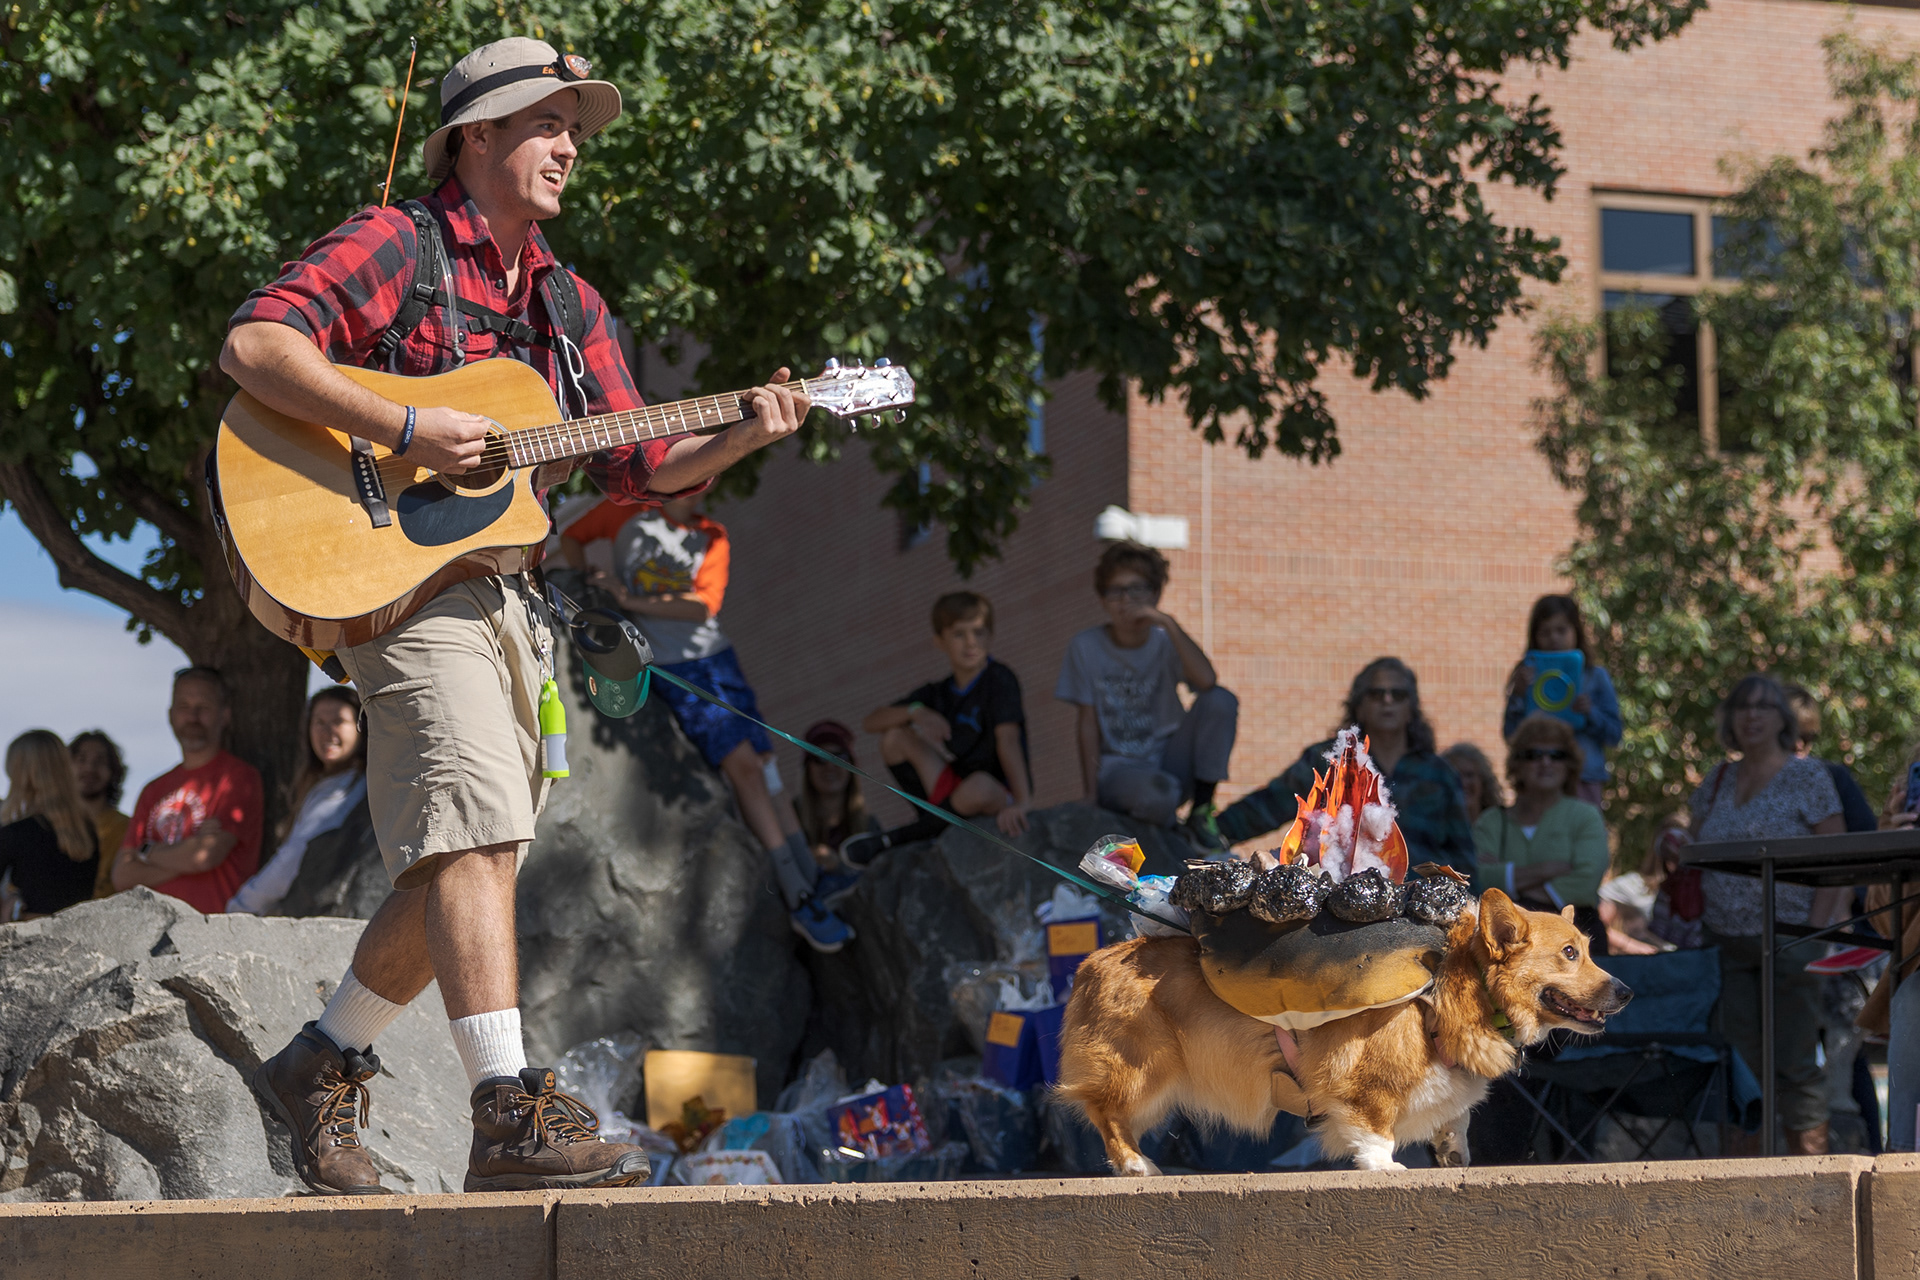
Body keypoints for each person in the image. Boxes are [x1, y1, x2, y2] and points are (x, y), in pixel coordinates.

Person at [221, 37, 810, 1195]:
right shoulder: (399, 241)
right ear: (477, 136)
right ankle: (506, 1109)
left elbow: (644, 463)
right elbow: (255, 344)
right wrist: (401, 426)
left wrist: (747, 425)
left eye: (576, 130)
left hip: (503, 587)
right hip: (390, 585)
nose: (571, 147)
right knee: (477, 821)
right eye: (550, 124)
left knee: (476, 837)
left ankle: (323, 1053)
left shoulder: (566, 299)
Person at [557, 491, 852, 952]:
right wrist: (592, 579)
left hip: (717, 658)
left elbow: (702, 606)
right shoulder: (626, 510)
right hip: (678, 667)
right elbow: (572, 536)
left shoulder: (712, 535)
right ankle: (798, 896)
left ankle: (813, 878)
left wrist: (629, 597)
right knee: (747, 771)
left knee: (767, 768)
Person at [1676, 673, 1848, 1156]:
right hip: (1724, 941)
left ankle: (1813, 1176)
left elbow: (1838, 859)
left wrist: (1814, 936)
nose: (1752, 714)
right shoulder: (1716, 779)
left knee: (1794, 1062)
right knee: (1739, 1067)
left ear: (1784, 720)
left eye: (1764, 706)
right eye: (1742, 706)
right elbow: (1695, 845)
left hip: (1791, 939)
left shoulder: (1808, 775)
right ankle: (1747, 1180)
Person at [1216, 658, 1476, 878]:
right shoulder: (1329, 760)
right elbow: (1269, 804)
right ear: (1359, 706)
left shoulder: (1439, 773)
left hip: (1419, 903)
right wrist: (1208, 833)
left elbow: (1463, 854)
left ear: (1411, 708)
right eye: (1376, 693)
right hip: (1343, 897)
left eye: (1398, 694)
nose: (1387, 700)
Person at [1055, 542, 1237, 851]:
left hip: (1170, 759)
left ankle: (1201, 813)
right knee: (1158, 794)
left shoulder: (1166, 640)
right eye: (1116, 591)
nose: (1126, 600)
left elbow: (1207, 681)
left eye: (1137, 589)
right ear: (1102, 598)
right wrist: (1090, 794)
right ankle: (1170, 842)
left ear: (1154, 593)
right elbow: (1087, 722)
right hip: (1122, 770)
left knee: (1221, 700)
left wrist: (1166, 622)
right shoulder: (1086, 646)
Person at [841, 591, 1034, 866]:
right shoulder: (940, 692)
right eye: (959, 634)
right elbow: (871, 722)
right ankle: (931, 822)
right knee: (894, 737)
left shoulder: (999, 679)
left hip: (994, 793)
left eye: (979, 632)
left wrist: (1022, 803)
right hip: (955, 793)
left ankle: (904, 837)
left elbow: (1009, 740)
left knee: (978, 785)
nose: (970, 642)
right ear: (939, 641)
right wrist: (916, 712)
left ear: (990, 635)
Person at [112, 667, 264, 914]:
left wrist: (148, 851)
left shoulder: (239, 778)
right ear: (170, 715)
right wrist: (187, 851)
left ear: (224, 716)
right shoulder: (153, 790)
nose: (192, 717)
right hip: (151, 931)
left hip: (214, 928)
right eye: (184, 707)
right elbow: (122, 875)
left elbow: (205, 857)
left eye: (203, 708)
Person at [1473, 714, 1611, 953]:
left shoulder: (1586, 816)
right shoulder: (1492, 821)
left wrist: (1508, 880)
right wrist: (1549, 870)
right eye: (1533, 755)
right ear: (1517, 764)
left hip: (1578, 941)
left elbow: (1586, 882)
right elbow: (1478, 880)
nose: (1545, 762)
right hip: (1508, 946)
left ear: (1569, 765)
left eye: (1557, 755)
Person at [228, 687, 369, 915]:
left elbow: (294, 858)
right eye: (319, 722)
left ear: (360, 728)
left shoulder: (353, 787)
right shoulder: (324, 784)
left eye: (338, 721)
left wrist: (240, 908)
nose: (327, 731)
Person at [1502, 595, 1623, 810]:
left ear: (1576, 632)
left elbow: (1614, 734)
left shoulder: (1594, 677)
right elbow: (1511, 735)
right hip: (1536, 781)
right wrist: (1519, 696)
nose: (1554, 638)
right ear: (1535, 636)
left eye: (1561, 630)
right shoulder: (1526, 677)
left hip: (1583, 778)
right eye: (1545, 632)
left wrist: (1590, 713)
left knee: (1581, 836)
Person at [0, 730, 101, 920]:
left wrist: (10, 904)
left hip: (32, 939)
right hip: (79, 937)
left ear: (21, 774)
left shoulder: (17, 833)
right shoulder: (86, 830)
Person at [794, 720, 877, 906]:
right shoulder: (791, 820)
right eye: (820, 757)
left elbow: (880, 880)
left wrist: (839, 865)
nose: (830, 766)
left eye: (839, 757)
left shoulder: (868, 826)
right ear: (808, 769)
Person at [1784, 684, 1878, 833]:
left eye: (1807, 737)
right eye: (1788, 736)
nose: (1798, 745)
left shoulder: (1835, 778)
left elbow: (1866, 836)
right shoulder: (1742, 779)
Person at [68, 730, 129, 900]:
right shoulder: (49, 827)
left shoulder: (128, 828)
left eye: (100, 761)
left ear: (113, 771)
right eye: (81, 760)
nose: (89, 768)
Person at [1442, 741, 1503, 825]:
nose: (1463, 783)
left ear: (1483, 782)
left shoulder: (1499, 827)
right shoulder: (1435, 829)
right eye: (1455, 776)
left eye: (1469, 775)